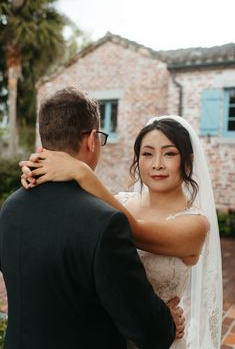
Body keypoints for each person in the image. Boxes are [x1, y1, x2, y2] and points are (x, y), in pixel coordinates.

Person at [0, 87, 185, 349]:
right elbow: (146, 329)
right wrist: (167, 322)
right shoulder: (104, 223)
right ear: (91, 140)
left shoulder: (11, 207)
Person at [20, 114, 223, 349]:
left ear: (187, 162)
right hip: (107, 336)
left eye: (169, 153)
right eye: (147, 154)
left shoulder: (195, 224)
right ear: (137, 160)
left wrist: (82, 172)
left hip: (157, 338)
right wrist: (39, 172)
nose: (157, 163)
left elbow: (133, 230)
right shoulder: (120, 202)